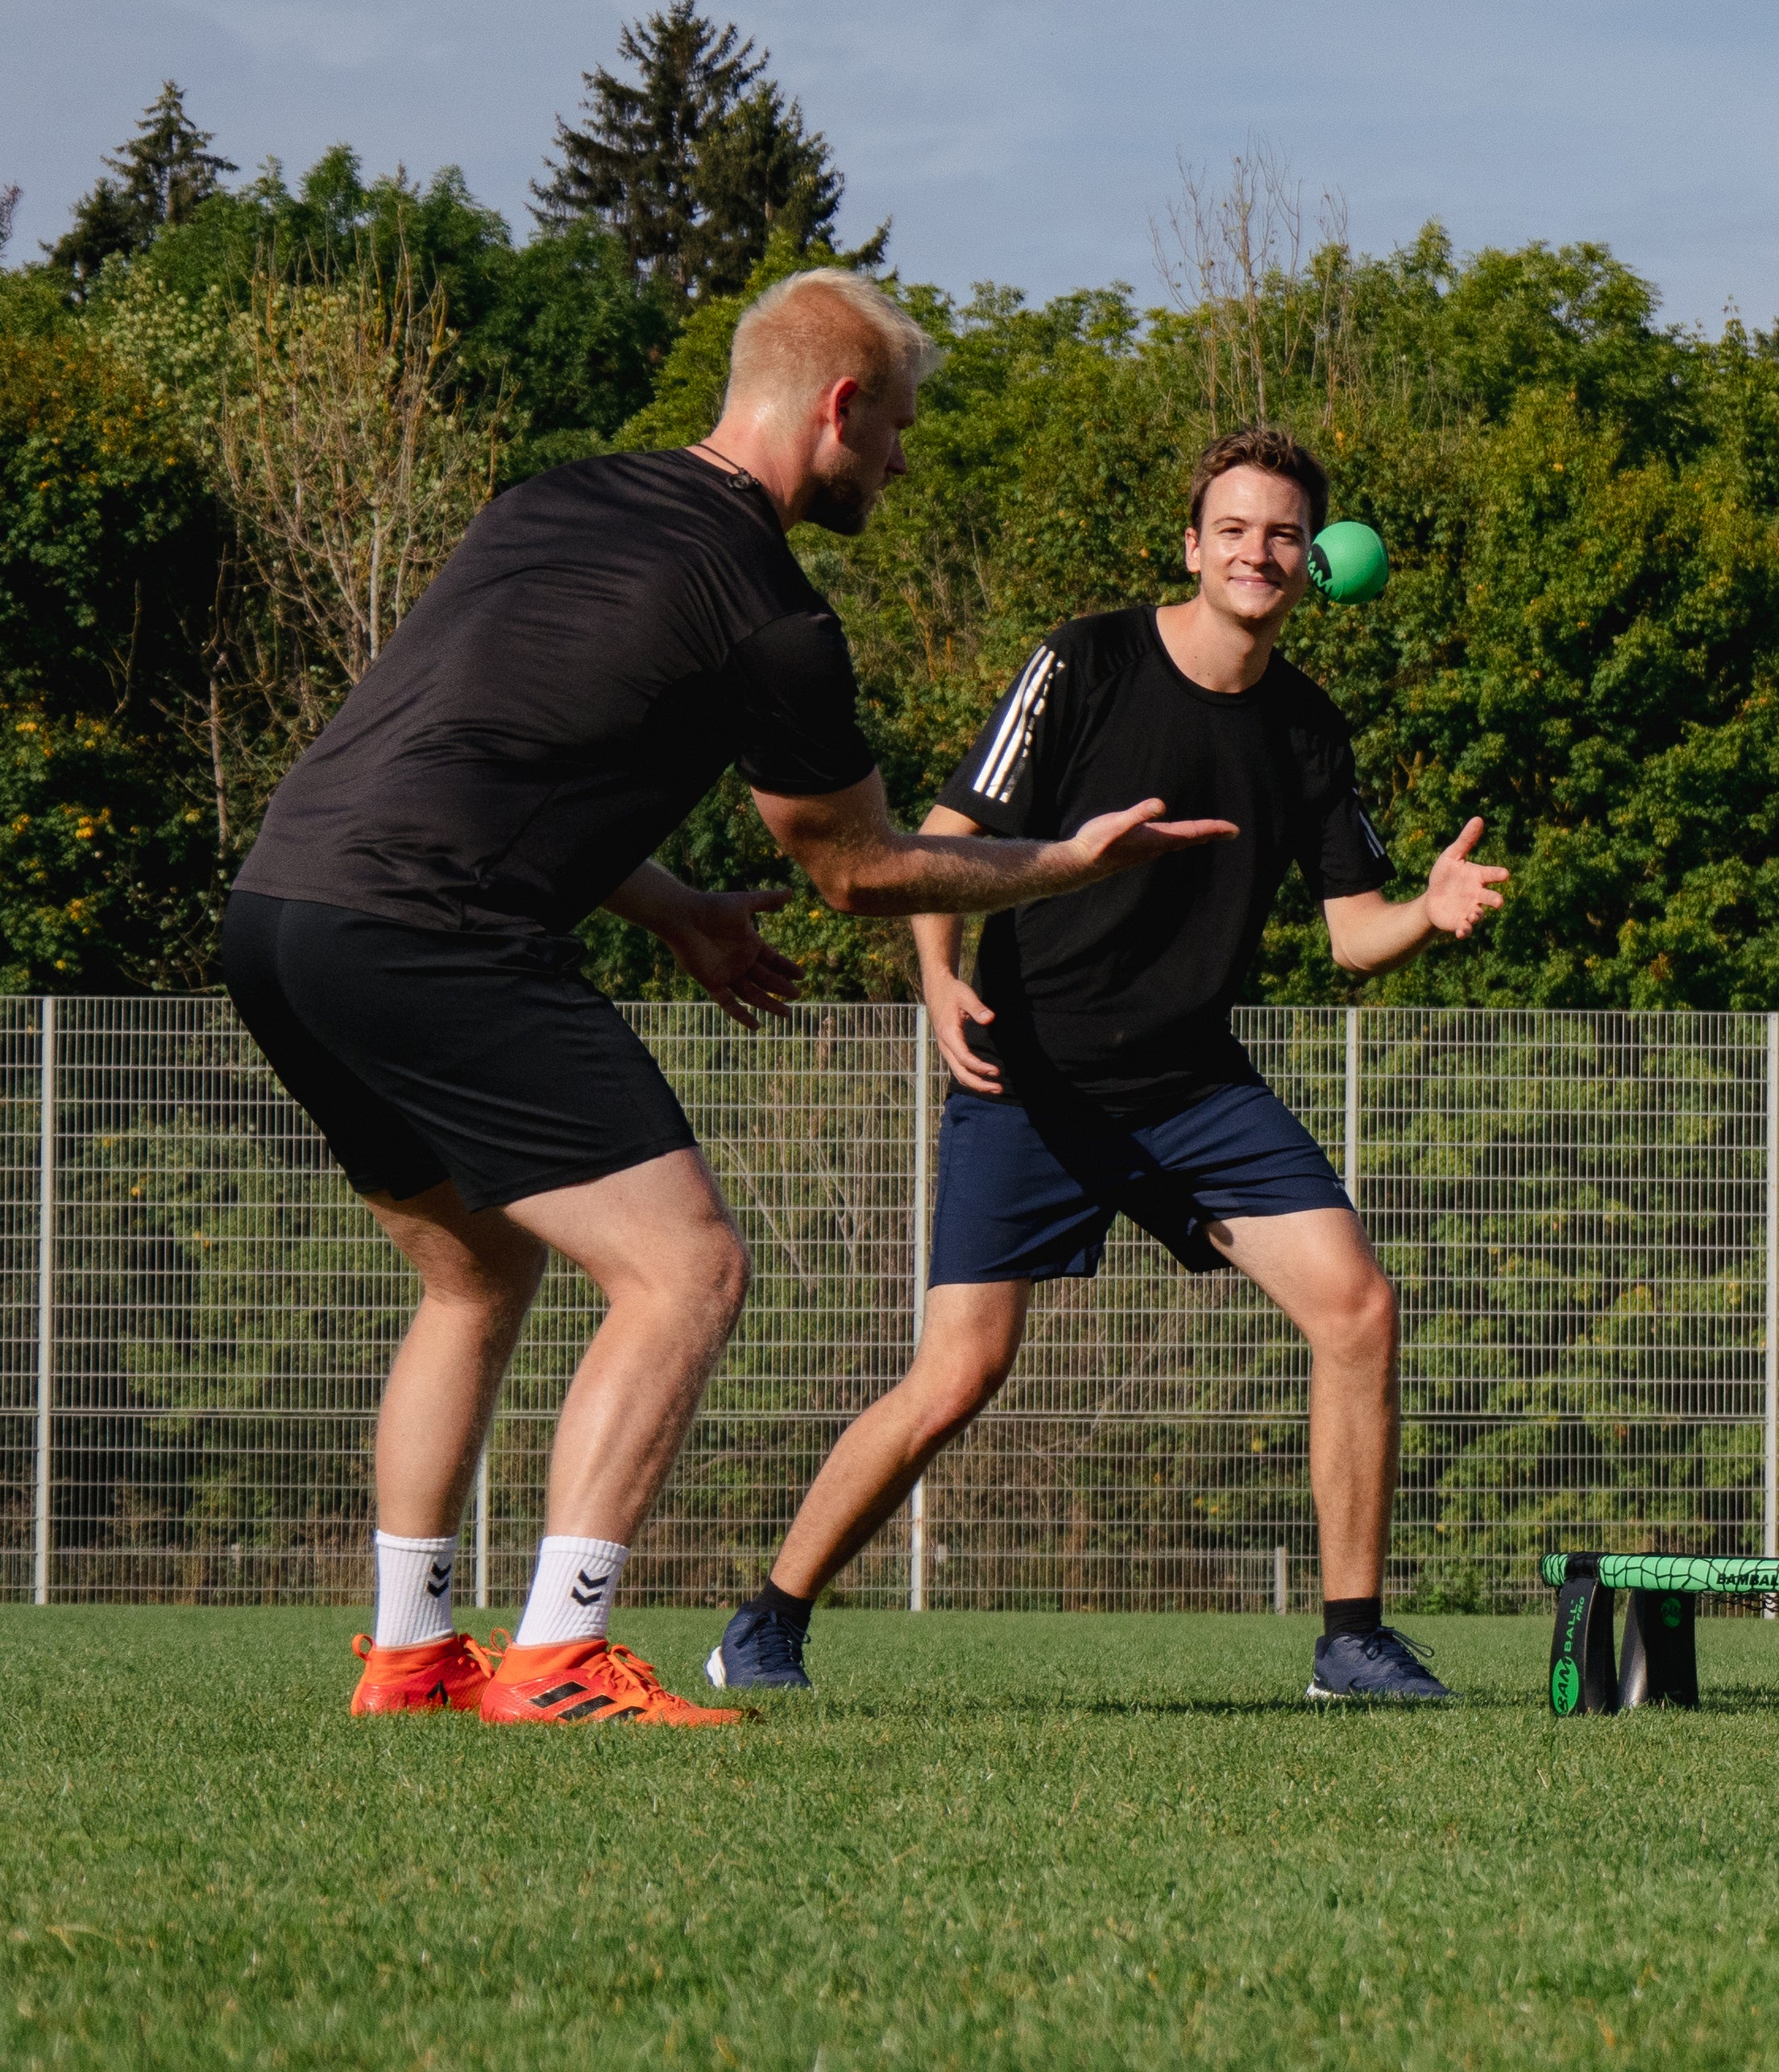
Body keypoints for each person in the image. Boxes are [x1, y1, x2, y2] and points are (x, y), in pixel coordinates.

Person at [231, 266, 1233, 1729]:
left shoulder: (546, 505)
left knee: (473, 1274)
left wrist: (677, 906)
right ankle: (562, 1656)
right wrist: (1071, 860)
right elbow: (863, 870)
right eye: (895, 428)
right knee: (684, 1269)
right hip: (426, 931)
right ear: (839, 407)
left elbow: (470, 749)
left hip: (278, 909)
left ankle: (410, 1652)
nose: (900, 457)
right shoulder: (768, 610)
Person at [706, 429, 1507, 1708]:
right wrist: (937, 974)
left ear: (1314, 566)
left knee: (1357, 1307)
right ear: (1192, 547)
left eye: (1285, 533)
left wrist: (1430, 905)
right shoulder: (1085, 659)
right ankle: (764, 1620)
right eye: (1235, 528)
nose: (1260, 550)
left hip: (1194, 1086)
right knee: (958, 1373)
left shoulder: (1307, 727)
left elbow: (1354, 935)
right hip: (1030, 1080)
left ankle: (1351, 1641)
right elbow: (949, 835)